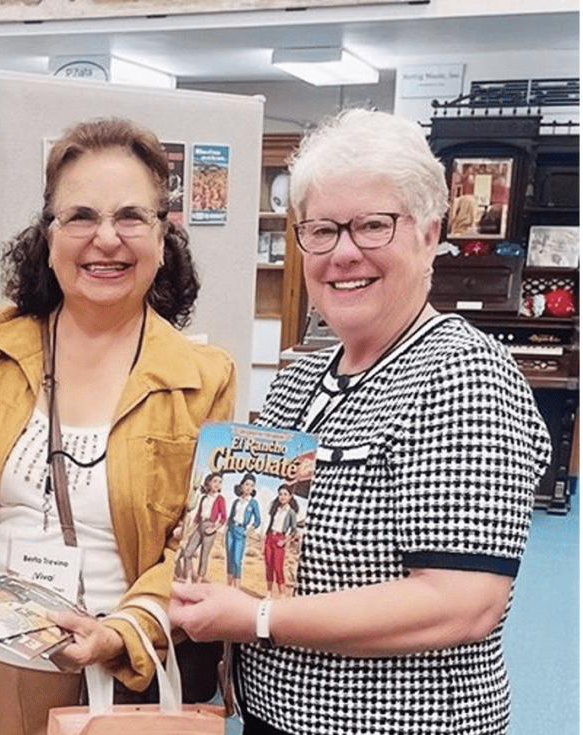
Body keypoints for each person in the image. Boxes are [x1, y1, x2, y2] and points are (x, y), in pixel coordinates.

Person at [170, 109, 551, 735]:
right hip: (275, 716)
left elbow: (461, 604)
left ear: (429, 234)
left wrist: (258, 620)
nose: (344, 253)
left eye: (374, 225)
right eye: (322, 230)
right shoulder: (299, 379)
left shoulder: (464, 374)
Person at [0, 117, 236, 735]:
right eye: (81, 217)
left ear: (163, 235)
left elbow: (201, 551)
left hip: (117, 682)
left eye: (131, 217)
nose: (106, 239)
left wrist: (121, 633)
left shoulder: (203, 380)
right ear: (49, 235)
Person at [176, 472, 227, 583]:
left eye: (220, 482)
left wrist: (213, 529)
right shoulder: (204, 498)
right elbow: (198, 515)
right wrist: (191, 530)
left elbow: (223, 518)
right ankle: (188, 577)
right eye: (215, 481)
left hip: (210, 527)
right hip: (200, 526)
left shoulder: (220, 499)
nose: (217, 484)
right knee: (188, 552)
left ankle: (199, 581)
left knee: (204, 556)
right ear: (209, 483)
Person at [262, 484, 298, 597]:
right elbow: (268, 523)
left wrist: (285, 541)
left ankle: (282, 594)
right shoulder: (275, 509)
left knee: (278, 568)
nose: (282, 497)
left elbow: (294, 530)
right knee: (269, 566)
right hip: (270, 537)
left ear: (290, 496)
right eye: (280, 494)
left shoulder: (291, 512)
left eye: (285, 494)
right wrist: (264, 539)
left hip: (280, 539)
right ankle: (269, 593)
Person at [225, 473, 260, 588]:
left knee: (237, 559)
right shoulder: (236, 501)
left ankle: (237, 588)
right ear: (242, 486)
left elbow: (258, 520)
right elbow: (230, 518)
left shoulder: (253, 503)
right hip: (231, 530)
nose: (249, 487)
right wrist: (225, 531)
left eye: (252, 485)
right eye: (247, 484)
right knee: (229, 558)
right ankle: (229, 586)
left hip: (241, 531)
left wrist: (248, 530)